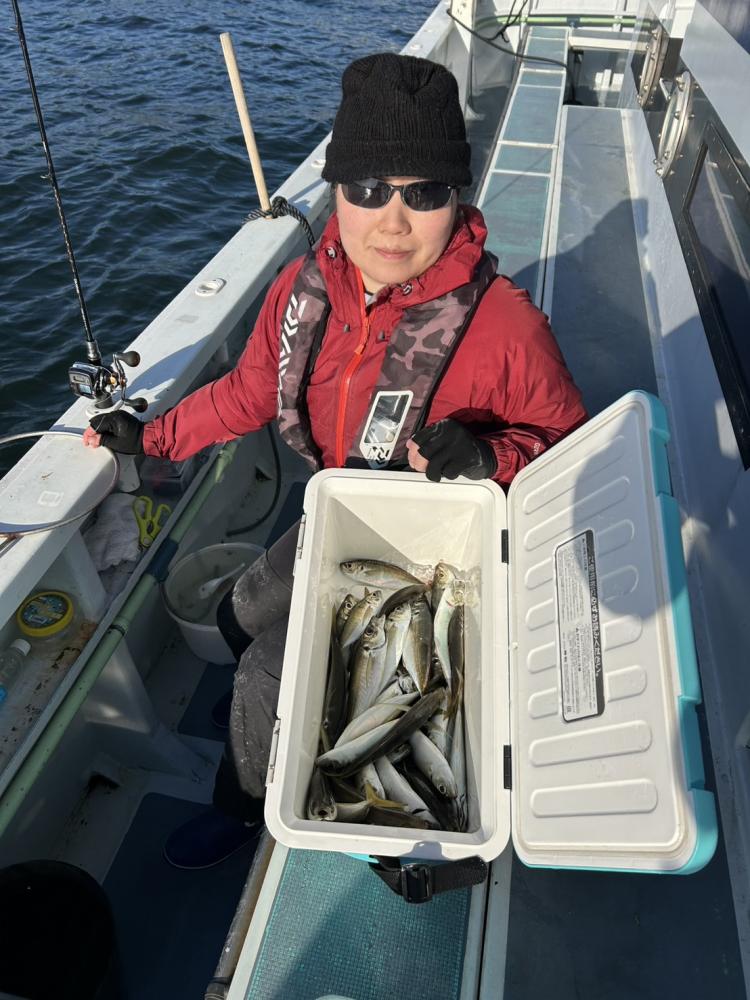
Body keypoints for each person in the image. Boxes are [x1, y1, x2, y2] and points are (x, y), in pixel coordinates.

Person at [84, 52, 587, 868]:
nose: (393, 222)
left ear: (458, 198)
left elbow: (565, 446)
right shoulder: (301, 288)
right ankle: (258, 720)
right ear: (336, 191)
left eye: (424, 193)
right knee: (241, 609)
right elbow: (251, 389)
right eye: (368, 188)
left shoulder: (507, 328)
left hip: (423, 555)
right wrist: (154, 437)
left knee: (265, 672)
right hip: (335, 511)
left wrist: (490, 454)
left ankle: (242, 802)